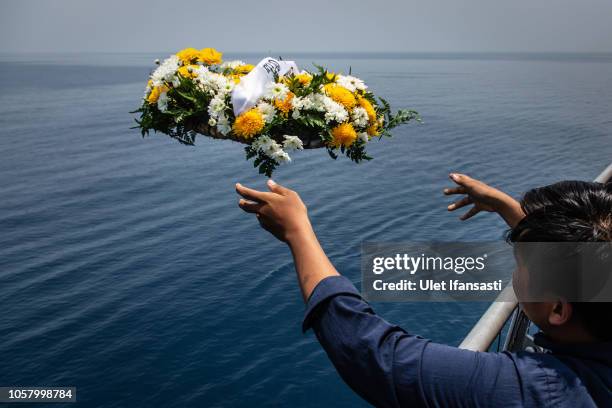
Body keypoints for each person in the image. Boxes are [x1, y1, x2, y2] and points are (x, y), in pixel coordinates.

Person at [235, 174, 612, 407]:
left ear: (559, 310)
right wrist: (509, 210)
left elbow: (375, 354)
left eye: (523, 265)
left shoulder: (544, 392)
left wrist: (297, 233)